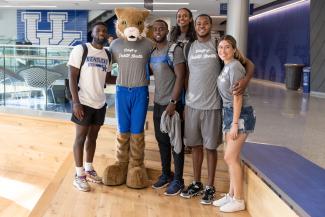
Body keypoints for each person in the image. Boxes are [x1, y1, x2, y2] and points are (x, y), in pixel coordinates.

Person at [180, 14, 254, 205]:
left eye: (205, 23)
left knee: (210, 147)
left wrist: (244, 81)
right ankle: (197, 183)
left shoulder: (218, 45)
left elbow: (248, 64)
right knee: (195, 146)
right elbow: (188, 75)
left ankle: (210, 186)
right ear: (194, 26)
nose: (202, 26)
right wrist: (187, 102)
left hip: (212, 106)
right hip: (192, 105)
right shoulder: (189, 46)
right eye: (198, 23)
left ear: (210, 25)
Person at [213, 35, 256, 212]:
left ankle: (239, 199)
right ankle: (231, 195)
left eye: (227, 47)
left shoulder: (236, 67)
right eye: (220, 47)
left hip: (240, 114)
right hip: (229, 113)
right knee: (232, 157)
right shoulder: (226, 66)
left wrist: (235, 123)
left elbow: (237, 96)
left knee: (229, 157)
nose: (223, 50)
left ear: (234, 50)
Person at [67, 22, 111, 192]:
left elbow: (107, 78)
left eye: (105, 31)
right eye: (98, 30)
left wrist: (130, 76)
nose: (102, 32)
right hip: (83, 102)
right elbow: (72, 76)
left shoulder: (107, 54)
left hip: (100, 103)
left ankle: (89, 169)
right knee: (80, 138)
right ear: (92, 32)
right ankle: (79, 175)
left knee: (92, 138)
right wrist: (75, 102)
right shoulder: (81, 50)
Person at [149, 19, 186, 195]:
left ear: (167, 30)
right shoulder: (153, 52)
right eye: (155, 29)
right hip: (158, 104)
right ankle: (166, 174)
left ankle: (179, 180)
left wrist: (173, 102)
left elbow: (180, 77)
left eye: (161, 28)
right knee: (162, 142)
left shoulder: (174, 50)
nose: (158, 31)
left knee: (176, 144)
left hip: (172, 105)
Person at [170, 8, 197, 154]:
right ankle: (177, 139)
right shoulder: (173, 36)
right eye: (179, 16)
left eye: (185, 16)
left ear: (191, 19)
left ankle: (188, 141)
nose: (182, 18)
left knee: (188, 110)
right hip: (176, 77)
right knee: (178, 109)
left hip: (191, 78)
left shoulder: (195, 37)